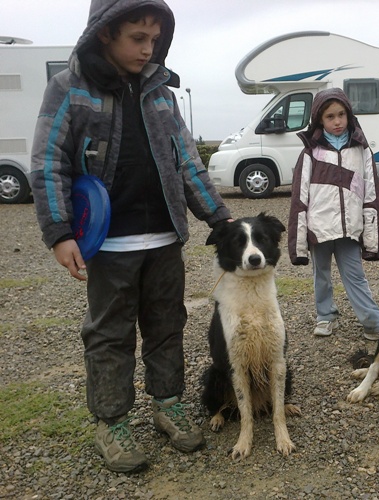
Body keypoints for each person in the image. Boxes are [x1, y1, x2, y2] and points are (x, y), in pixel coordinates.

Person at [31, 0, 233, 472]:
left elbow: (186, 162)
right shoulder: (67, 88)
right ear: (105, 33)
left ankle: (168, 405)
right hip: (109, 246)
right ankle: (112, 422)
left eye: (155, 40)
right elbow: (47, 163)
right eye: (138, 39)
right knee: (109, 335)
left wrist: (219, 219)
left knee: (167, 327)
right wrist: (59, 232)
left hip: (165, 240)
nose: (149, 49)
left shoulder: (161, 92)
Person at [288, 88, 379, 341]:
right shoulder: (310, 153)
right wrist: (298, 242)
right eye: (330, 116)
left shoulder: (362, 150)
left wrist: (370, 234)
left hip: (350, 228)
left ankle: (373, 322)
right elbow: (300, 197)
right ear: (320, 119)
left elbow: (371, 194)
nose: (337, 121)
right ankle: (325, 316)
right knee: (322, 276)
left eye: (341, 114)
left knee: (356, 276)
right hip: (319, 228)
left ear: (349, 115)